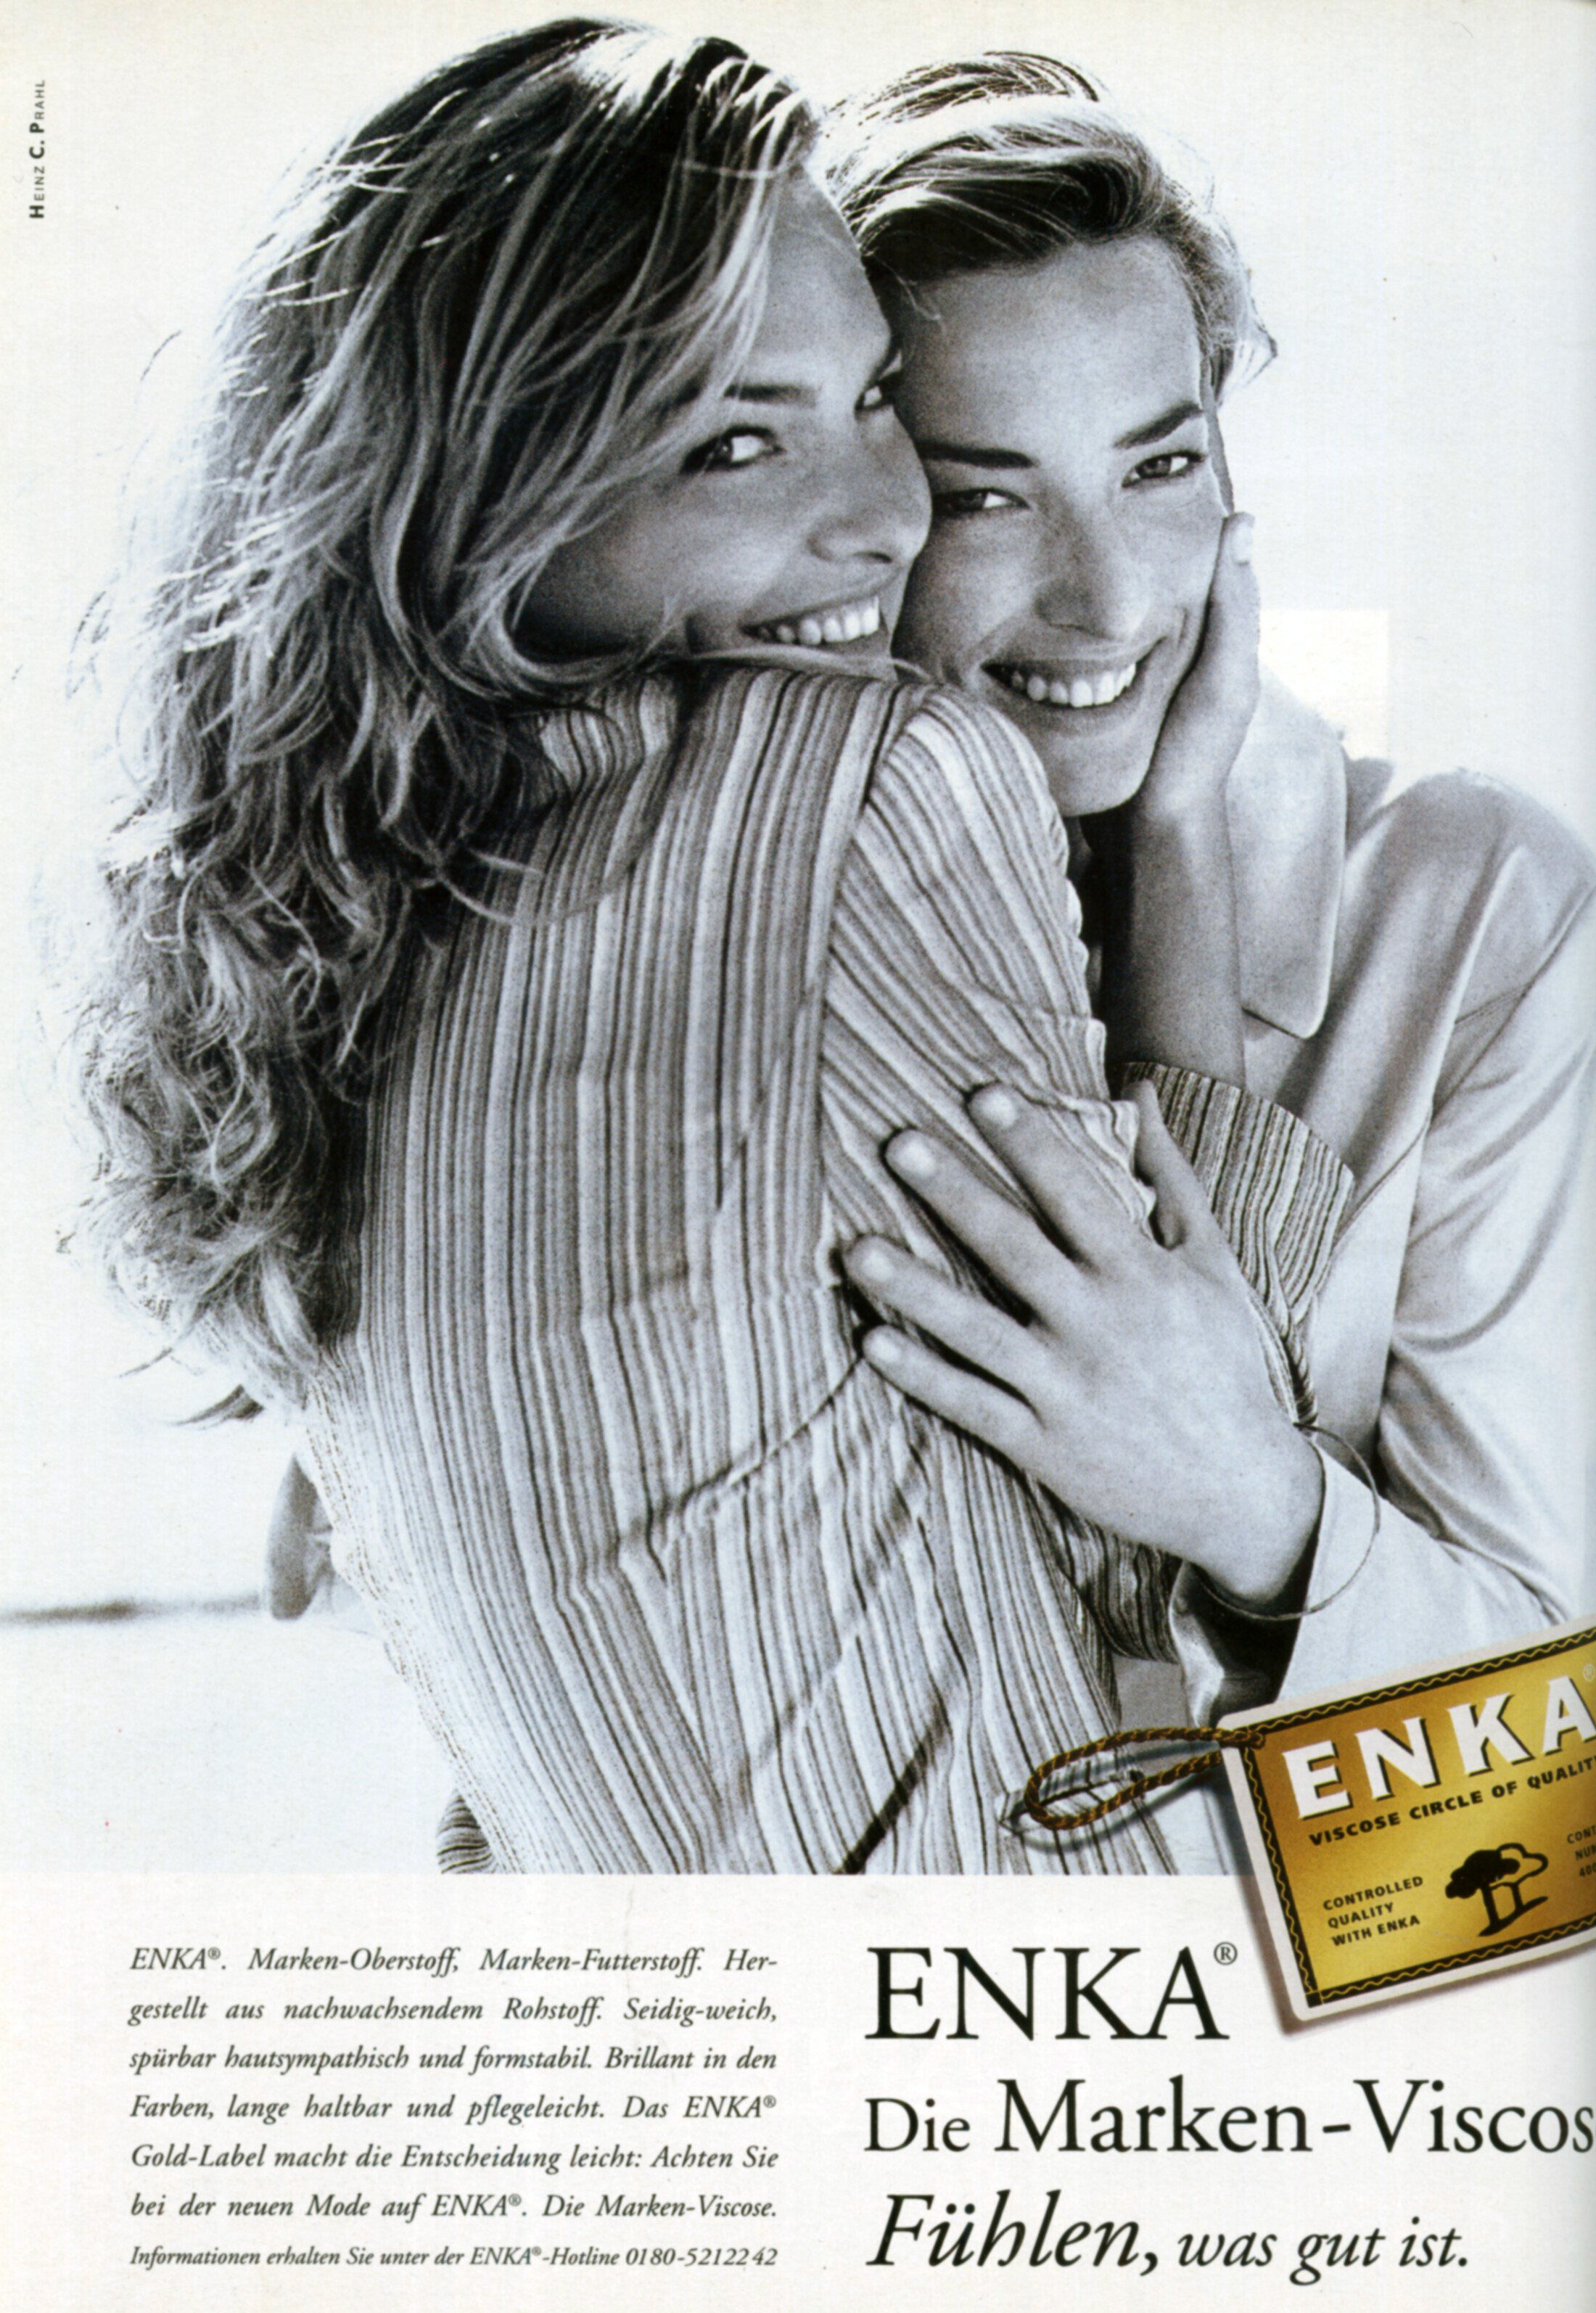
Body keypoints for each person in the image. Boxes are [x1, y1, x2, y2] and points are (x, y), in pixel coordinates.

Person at [72, 18, 1355, 1877]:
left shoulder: (331, 943)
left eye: (872, 402)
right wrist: (1177, 833)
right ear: (486, 490)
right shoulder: (879, 779)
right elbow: (1163, 1504)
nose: (883, 520)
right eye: (736, 441)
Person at [823, 54, 1594, 1759]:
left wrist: (1252, 1504)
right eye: (984, 494)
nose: (1105, 600)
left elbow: (1544, 1793)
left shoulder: (1474, 915)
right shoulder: (743, 917)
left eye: (1157, 467)